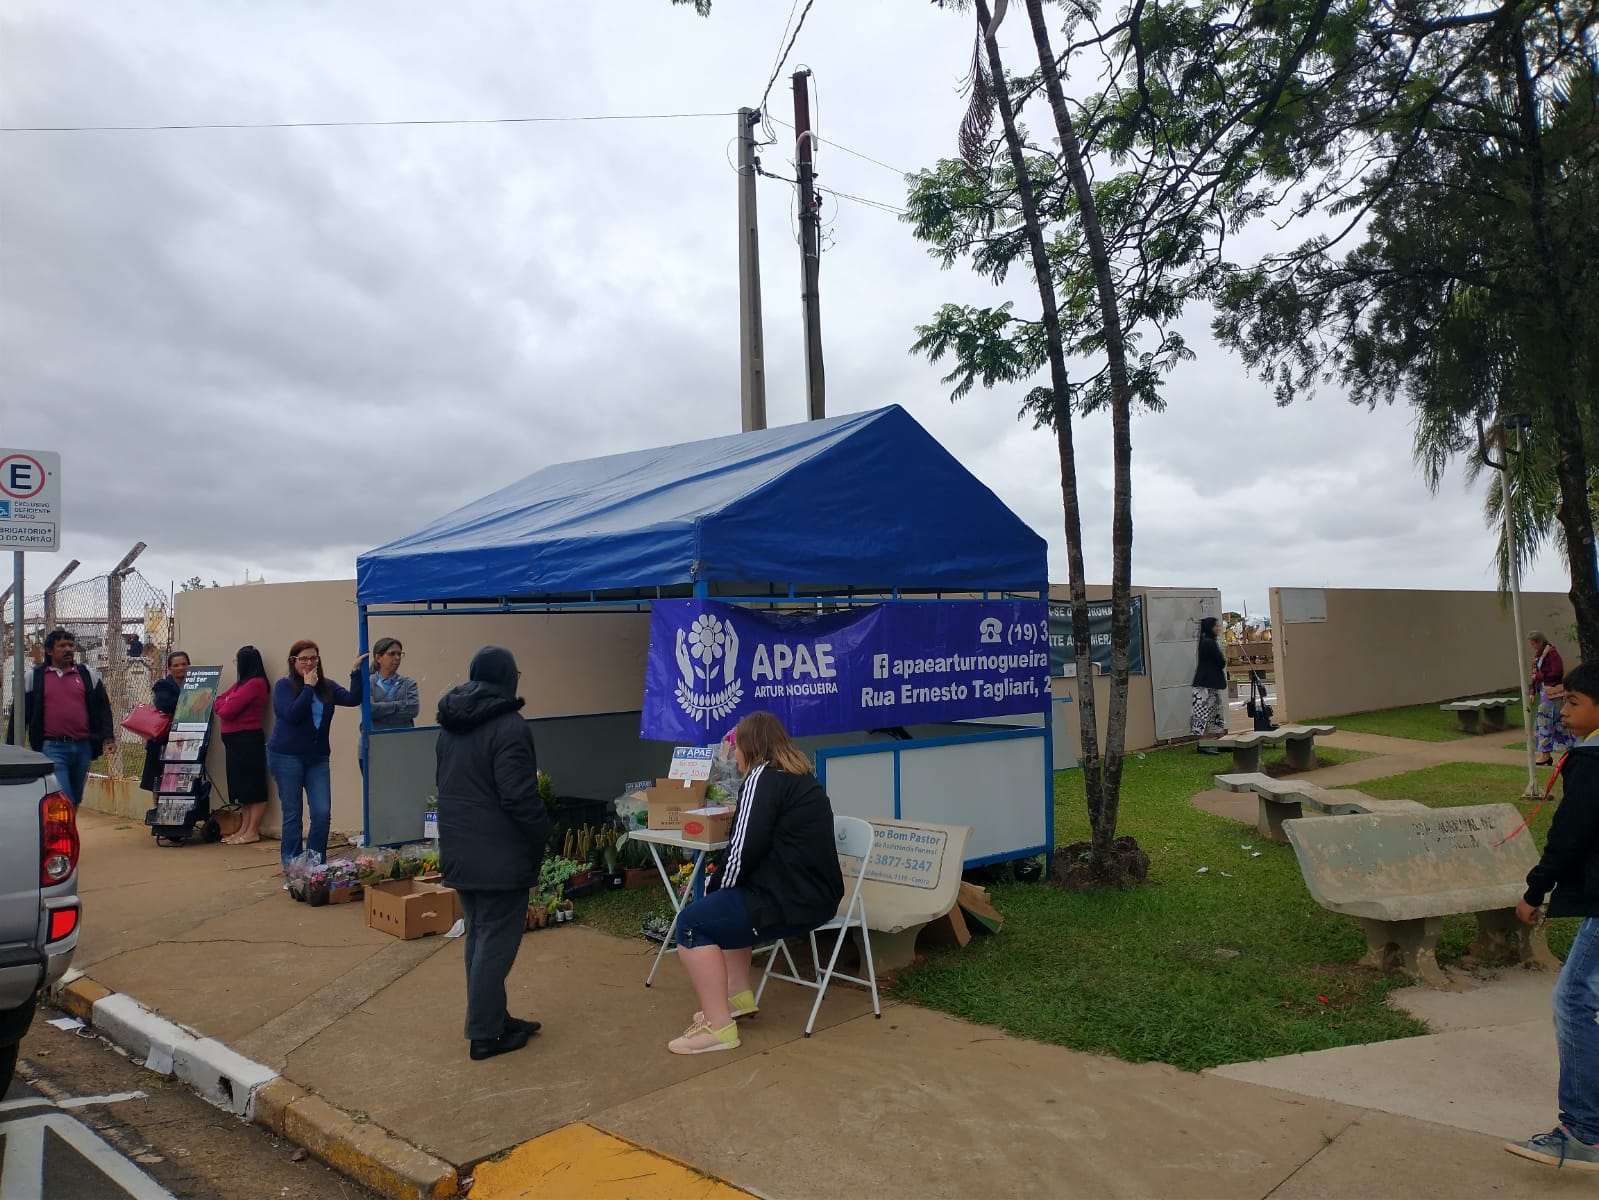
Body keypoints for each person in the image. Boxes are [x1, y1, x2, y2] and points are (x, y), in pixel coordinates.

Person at [666, 711, 845, 1056]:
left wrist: (714, 895)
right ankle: (736, 998)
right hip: (819, 898)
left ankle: (719, 1028)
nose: (733, 755)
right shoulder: (800, 777)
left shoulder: (761, 778)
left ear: (750, 747)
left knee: (692, 925)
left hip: (790, 902)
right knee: (726, 908)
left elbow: (742, 848)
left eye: (735, 748)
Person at [1506, 660, 1599, 1173]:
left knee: (1573, 999)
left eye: (1574, 702)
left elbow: (1569, 837)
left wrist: (1535, 890)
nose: (1564, 710)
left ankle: (1584, 1130)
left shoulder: (1591, 764)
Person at [435, 646, 549, 1062]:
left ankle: (495, 1018)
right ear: (507, 679)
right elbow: (519, 796)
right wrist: (542, 832)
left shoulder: (449, 726)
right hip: (500, 854)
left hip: (461, 850)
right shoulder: (509, 727)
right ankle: (484, 1034)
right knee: (495, 943)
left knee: (479, 938)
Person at [265, 639, 362, 871]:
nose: (309, 663)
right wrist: (308, 687)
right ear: (293, 661)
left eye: (313, 658)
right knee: (293, 813)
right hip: (286, 756)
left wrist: (356, 672)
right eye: (303, 659)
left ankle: (316, 864)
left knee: (321, 812)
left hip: (317, 757)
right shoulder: (284, 686)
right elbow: (292, 714)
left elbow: (352, 699)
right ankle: (292, 866)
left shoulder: (327, 686)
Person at [23, 628, 113, 807]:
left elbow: (103, 707)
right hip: (53, 748)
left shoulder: (87, 675)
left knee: (76, 798)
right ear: (49, 651)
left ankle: (67, 833)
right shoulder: (35, 676)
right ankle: (65, 834)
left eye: (71, 645)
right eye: (62, 646)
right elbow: (21, 711)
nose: (68, 649)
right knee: (64, 798)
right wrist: (12, 745)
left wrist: (108, 737)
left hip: (83, 747)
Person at [215, 645, 271, 845]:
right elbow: (219, 701)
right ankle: (244, 829)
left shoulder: (255, 684)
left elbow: (226, 710)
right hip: (234, 741)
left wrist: (226, 701)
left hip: (247, 738)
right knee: (243, 790)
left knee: (253, 787)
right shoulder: (241, 684)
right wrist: (227, 700)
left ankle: (252, 830)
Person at [139, 650, 189, 794]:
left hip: (185, 740)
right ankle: (157, 811)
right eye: (176, 665)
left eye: (184, 664)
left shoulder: (194, 684)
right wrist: (188, 700)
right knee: (159, 782)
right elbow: (164, 704)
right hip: (161, 742)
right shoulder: (162, 685)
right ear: (170, 668)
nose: (180, 668)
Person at [1529, 632, 1576, 766]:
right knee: (1544, 723)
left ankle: (1566, 751)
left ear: (1539, 641)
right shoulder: (1538, 655)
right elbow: (1533, 676)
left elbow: (1557, 672)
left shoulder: (1552, 654)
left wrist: (1540, 676)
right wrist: (1532, 691)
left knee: (1550, 722)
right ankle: (1546, 754)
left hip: (1553, 694)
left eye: (1533, 643)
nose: (1532, 646)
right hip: (1544, 692)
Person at [1190, 617, 1229, 753]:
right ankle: (1205, 744)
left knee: (1208, 713)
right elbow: (1221, 662)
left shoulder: (1203, 641)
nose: (1218, 628)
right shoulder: (1210, 643)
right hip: (1207, 683)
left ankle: (1213, 742)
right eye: (1215, 626)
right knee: (1208, 713)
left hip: (1203, 682)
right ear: (1209, 628)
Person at [363, 637, 420, 730]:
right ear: (378, 658)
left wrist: (378, 717)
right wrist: (400, 704)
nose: (397, 658)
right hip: (376, 740)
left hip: (403, 739)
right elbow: (369, 710)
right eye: (392, 654)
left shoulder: (409, 684)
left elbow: (412, 710)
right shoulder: (368, 683)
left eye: (399, 654)